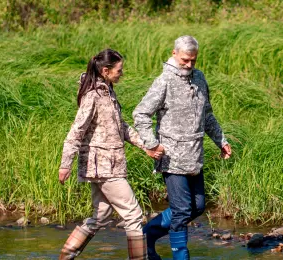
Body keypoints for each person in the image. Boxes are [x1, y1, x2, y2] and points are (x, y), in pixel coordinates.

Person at [133, 35, 232, 260]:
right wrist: (151, 143)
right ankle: (181, 256)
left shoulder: (199, 78)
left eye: (193, 61)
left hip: (194, 156)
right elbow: (141, 113)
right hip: (171, 156)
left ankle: (146, 235)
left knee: (197, 207)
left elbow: (207, 115)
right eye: (185, 60)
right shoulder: (164, 81)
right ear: (174, 53)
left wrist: (221, 141)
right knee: (181, 211)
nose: (189, 65)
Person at [57, 49, 161, 260]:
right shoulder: (93, 96)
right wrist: (65, 164)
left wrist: (146, 146)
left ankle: (66, 256)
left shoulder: (108, 92)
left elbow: (120, 127)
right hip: (104, 166)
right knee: (133, 215)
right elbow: (77, 130)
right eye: (119, 70)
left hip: (107, 165)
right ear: (106, 70)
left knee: (101, 216)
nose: (121, 73)